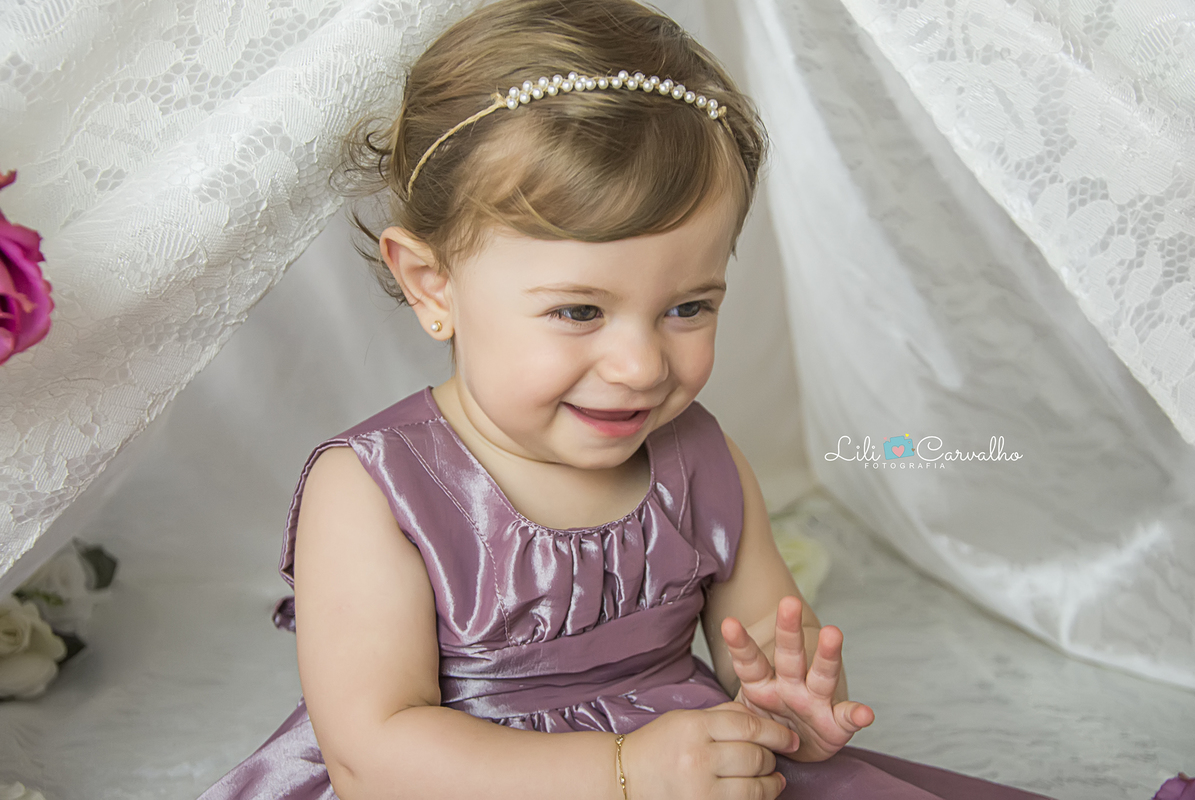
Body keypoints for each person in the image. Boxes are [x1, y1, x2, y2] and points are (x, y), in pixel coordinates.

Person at [199, 1, 1051, 797]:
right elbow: (371, 752)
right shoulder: (373, 489)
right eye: (579, 310)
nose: (642, 365)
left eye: (688, 307)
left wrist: (783, 718)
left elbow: (761, 653)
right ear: (432, 284)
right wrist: (618, 771)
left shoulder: (701, 457)